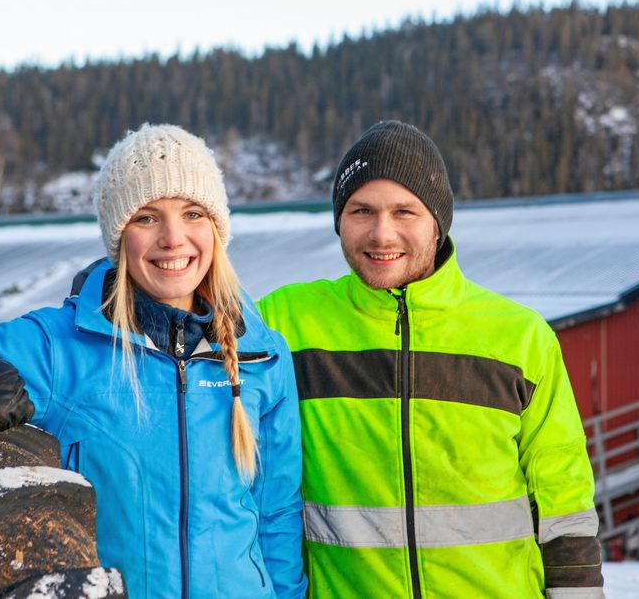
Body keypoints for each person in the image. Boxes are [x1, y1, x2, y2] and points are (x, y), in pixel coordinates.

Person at [0, 124, 307, 599]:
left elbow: (276, 516)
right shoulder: (61, 348)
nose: (173, 238)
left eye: (193, 213)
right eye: (147, 217)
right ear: (119, 235)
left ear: (217, 227)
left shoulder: (263, 354)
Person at [256, 120, 603, 598]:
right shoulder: (285, 322)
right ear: (339, 218)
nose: (382, 234)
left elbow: (563, 496)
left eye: (405, 211)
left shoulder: (520, 337)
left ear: (437, 221)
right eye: (362, 210)